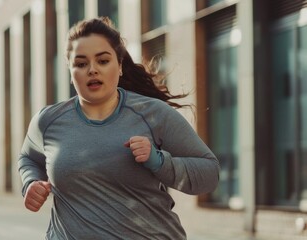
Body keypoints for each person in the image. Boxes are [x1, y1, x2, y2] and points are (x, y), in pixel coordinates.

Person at [18, 17, 220, 240]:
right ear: (70, 70)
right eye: (81, 64)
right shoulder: (48, 121)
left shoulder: (152, 114)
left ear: (120, 65)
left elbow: (209, 173)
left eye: (103, 61)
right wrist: (30, 183)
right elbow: (28, 157)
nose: (92, 70)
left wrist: (159, 161)